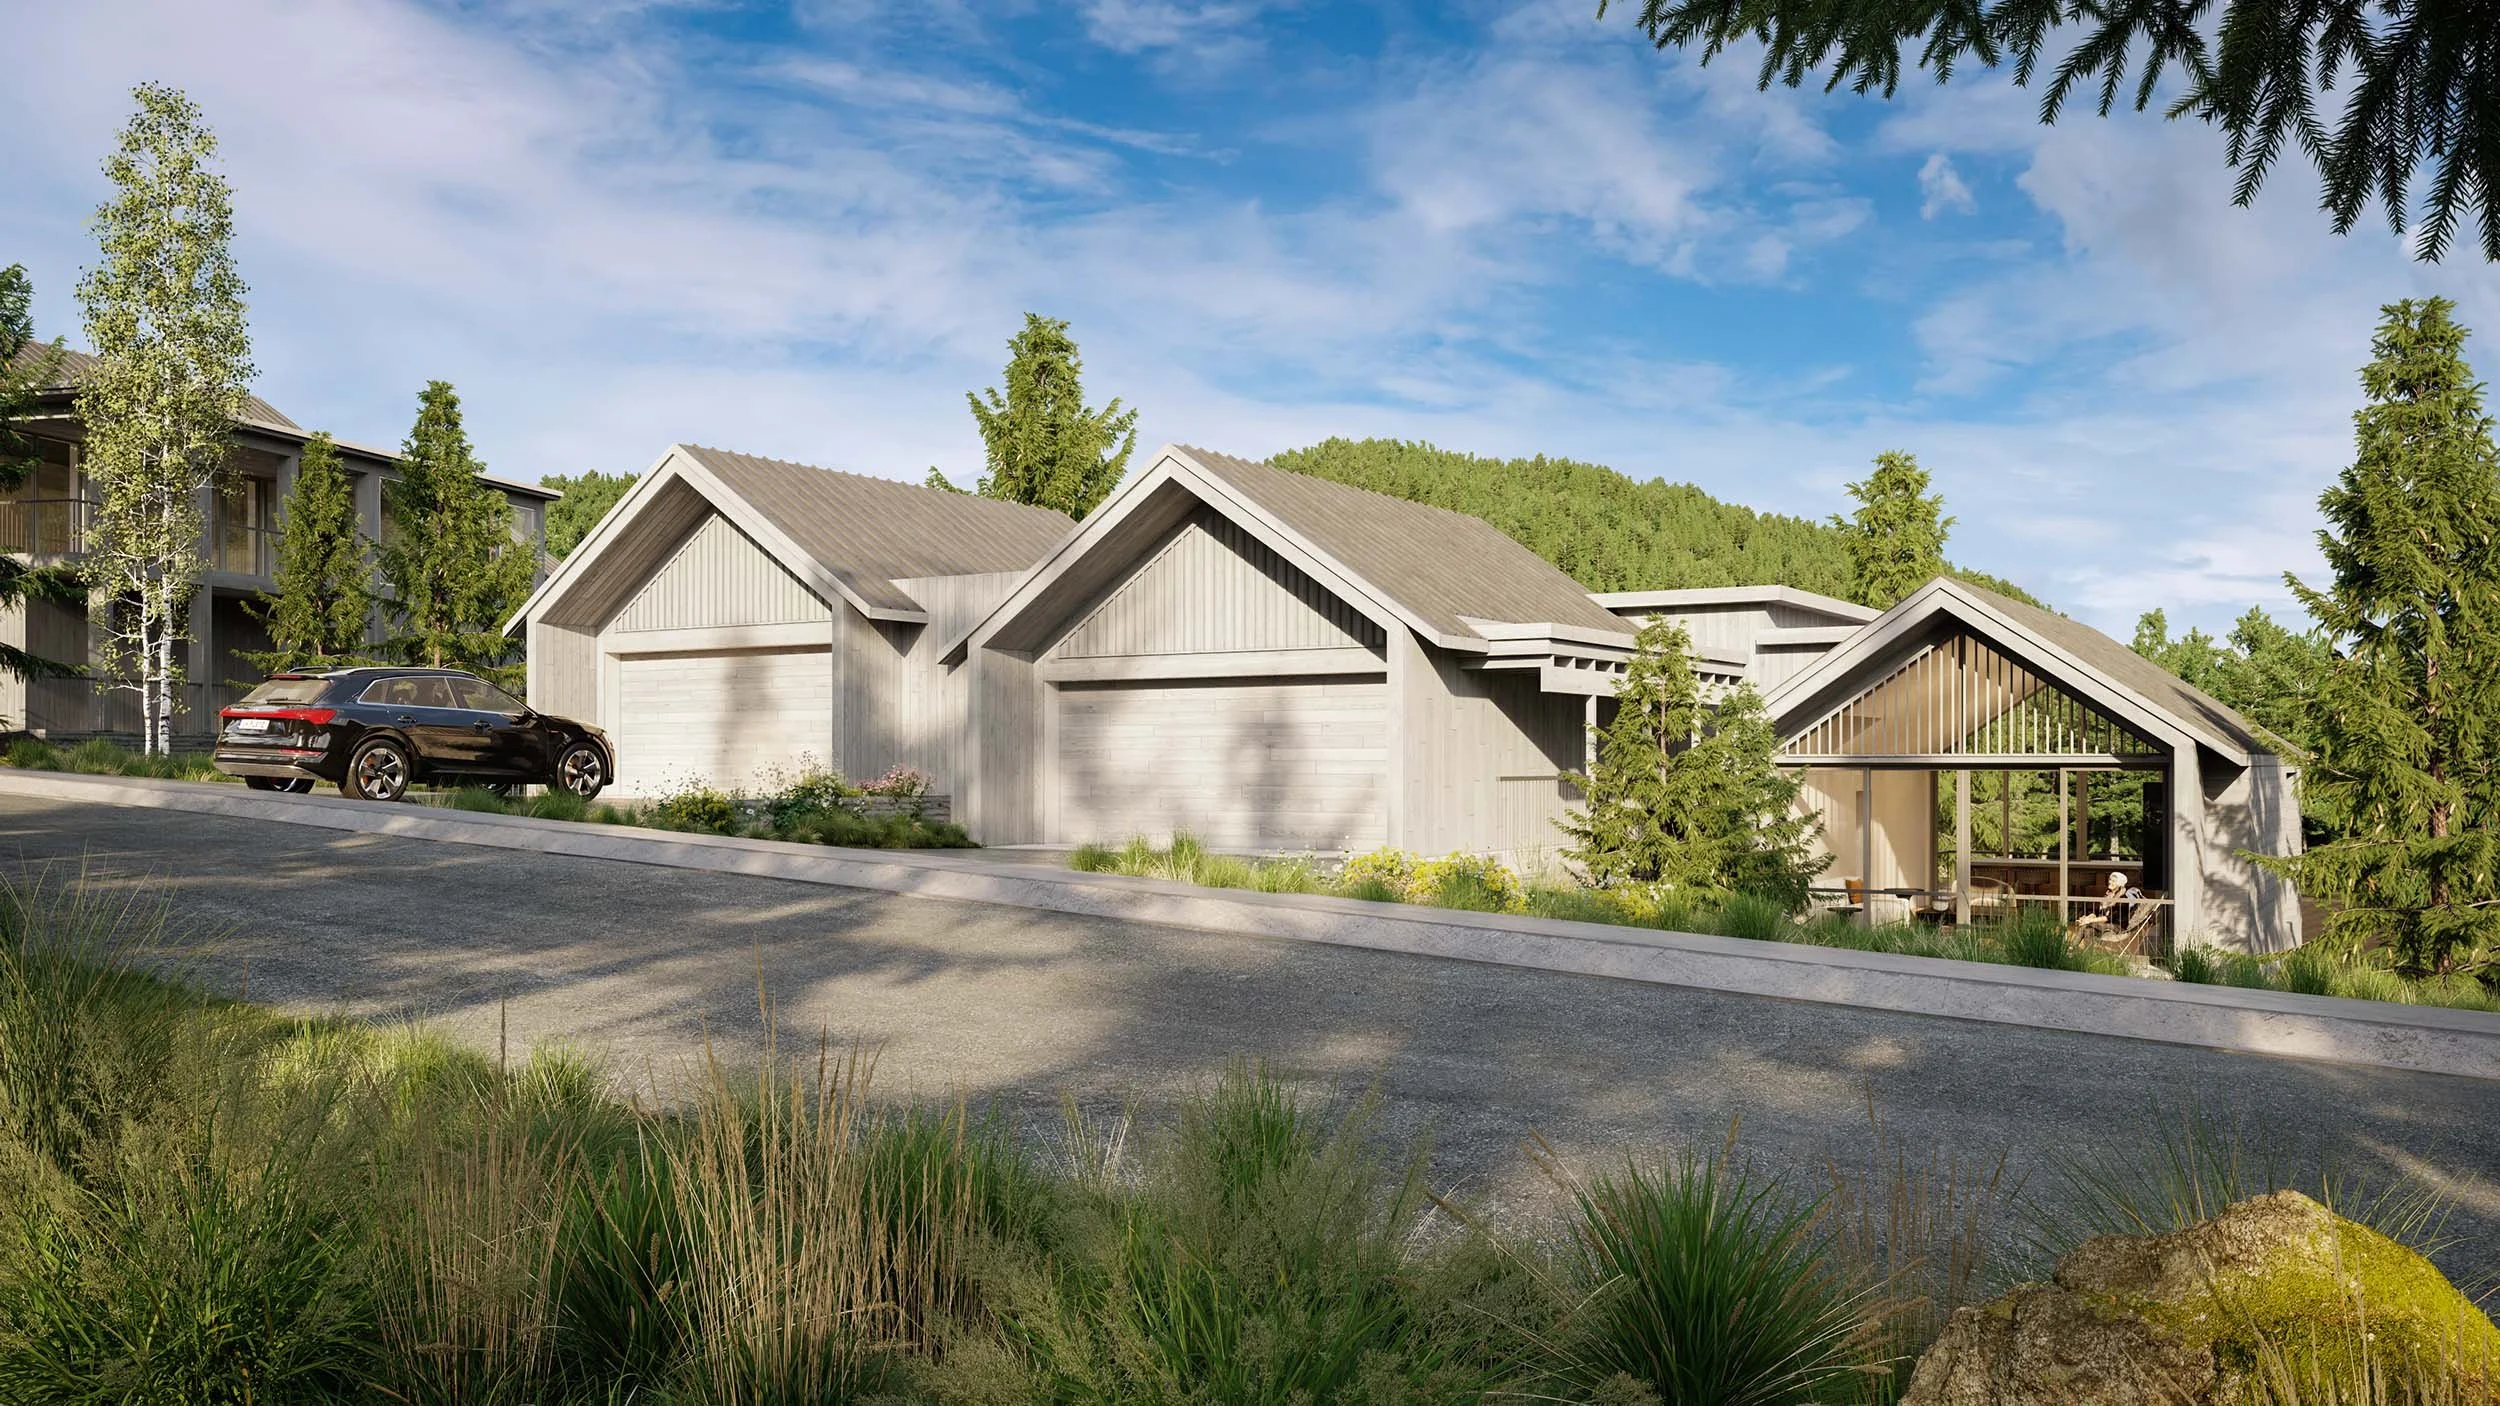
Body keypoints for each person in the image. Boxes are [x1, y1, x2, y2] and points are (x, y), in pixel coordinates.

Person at [2070, 870, 2142, 943]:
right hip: (2104, 925)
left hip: (2118, 927)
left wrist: (2089, 921)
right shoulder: (2108, 896)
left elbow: (2110, 917)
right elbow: (2097, 912)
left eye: (2114, 881)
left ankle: (2070, 949)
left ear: (2119, 884)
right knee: (2088, 930)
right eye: (2110, 880)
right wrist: (2088, 917)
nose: (2110, 882)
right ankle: (2087, 953)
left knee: (2086, 925)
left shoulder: (2122, 899)